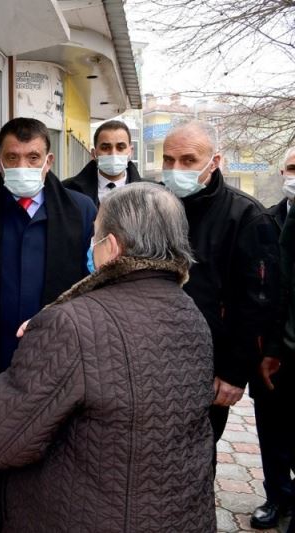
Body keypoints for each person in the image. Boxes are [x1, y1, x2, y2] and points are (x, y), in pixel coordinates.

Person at [0, 183, 215, 532]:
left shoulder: (71, 324)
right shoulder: (190, 313)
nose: (90, 247)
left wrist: (34, 351)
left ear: (112, 247)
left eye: (95, 236)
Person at [0, 117, 96, 449]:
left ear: (48, 161)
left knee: (53, 447)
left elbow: (95, 280)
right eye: (12, 158)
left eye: (33, 157)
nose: (22, 165)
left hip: (57, 354)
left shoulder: (79, 209)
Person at [161, 121, 280, 450]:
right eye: (168, 160)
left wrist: (233, 372)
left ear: (214, 161)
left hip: (209, 364)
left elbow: (256, 302)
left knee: (197, 457)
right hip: (153, 357)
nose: (175, 169)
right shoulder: (155, 204)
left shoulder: (246, 216)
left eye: (187, 160)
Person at [252, 146, 295, 529]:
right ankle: (277, 497)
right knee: (271, 427)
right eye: (293, 168)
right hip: (272, 347)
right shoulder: (265, 220)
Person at [63, 119, 142, 207]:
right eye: (105, 148)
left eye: (120, 147)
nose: (113, 154)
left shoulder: (150, 193)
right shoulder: (67, 190)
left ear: (131, 152)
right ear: (94, 153)